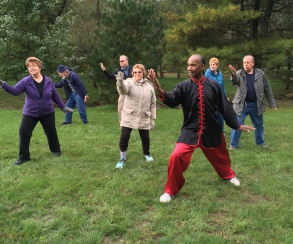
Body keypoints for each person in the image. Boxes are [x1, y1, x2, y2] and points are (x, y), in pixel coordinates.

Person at [148, 54, 254, 203]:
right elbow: (171, 100)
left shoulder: (214, 86)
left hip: (212, 130)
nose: (190, 68)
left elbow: (225, 107)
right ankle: (170, 190)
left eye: (194, 65)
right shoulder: (183, 86)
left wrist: (237, 124)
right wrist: (158, 88)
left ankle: (228, 175)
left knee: (221, 156)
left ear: (202, 66)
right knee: (176, 156)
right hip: (190, 130)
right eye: (188, 65)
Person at [0, 57, 73, 165]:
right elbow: (15, 91)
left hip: (47, 112)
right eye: (29, 66)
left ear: (39, 67)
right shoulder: (25, 81)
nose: (31, 68)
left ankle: (56, 151)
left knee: (51, 132)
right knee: (24, 132)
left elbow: (55, 95)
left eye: (33, 65)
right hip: (30, 113)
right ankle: (24, 157)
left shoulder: (48, 81)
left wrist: (63, 107)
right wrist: (2, 84)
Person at [229, 55, 277, 150]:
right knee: (237, 124)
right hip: (241, 105)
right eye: (244, 62)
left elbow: (267, 88)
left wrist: (272, 103)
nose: (246, 64)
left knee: (259, 125)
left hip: (256, 104)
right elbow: (234, 82)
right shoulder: (239, 73)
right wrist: (234, 75)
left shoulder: (260, 73)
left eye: (248, 62)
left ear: (253, 63)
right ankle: (233, 145)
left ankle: (260, 143)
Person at [115, 64, 156, 169]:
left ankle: (147, 154)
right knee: (124, 137)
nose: (137, 74)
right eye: (135, 72)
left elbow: (153, 104)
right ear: (132, 73)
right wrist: (119, 81)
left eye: (139, 72)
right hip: (129, 115)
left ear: (143, 73)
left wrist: (152, 119)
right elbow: (122, 90)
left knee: (145, 137)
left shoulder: (149, 86)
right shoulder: (128, 82)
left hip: (144, 116)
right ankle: (122, 158)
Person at [100, 55, 133, 123]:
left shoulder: (133, 69)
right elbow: (110, 76)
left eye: (122, 61)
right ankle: (122, 124)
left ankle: (134, 123)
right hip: (123, 92)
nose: (120, 62)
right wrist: (104, 70)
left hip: (133, 90)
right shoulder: (118, 71)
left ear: (127, 61)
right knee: (120, 107)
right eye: (119, 61)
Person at [204, 57, 226, 130]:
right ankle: (210, 130)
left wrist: (224, 97)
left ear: (217, 65)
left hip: (219, 98)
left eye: (214, 64)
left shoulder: (220, 75)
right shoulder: (207, 74)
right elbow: (205, 87)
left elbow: (222, 87)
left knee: (220, 115)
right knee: (211, 115)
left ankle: (220, 130)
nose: (212, 66)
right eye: (211, 64)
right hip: (211, 98)